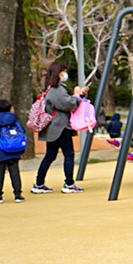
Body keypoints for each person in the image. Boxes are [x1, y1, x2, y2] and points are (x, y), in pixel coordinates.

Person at [33, 60, 89, 194]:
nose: (65, 73)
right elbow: (68, 104)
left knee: (50, 155)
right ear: (58, 73)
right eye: (63, 70)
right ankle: (69, 183)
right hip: (60, 127)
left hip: (52, 128)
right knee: (68, 154)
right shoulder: (56, 89)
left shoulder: (50, 89)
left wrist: (78, 95)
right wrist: (76, 94)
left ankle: (39, 183)